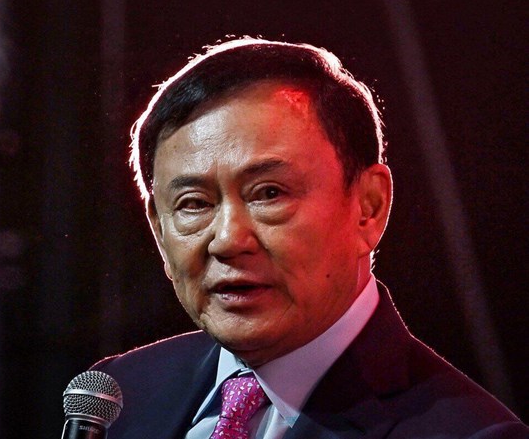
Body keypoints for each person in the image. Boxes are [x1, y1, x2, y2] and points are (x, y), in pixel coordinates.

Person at [91, 38, 525, 438]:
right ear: (159, 230)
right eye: (193, 203)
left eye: (269, 194)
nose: (228, 240)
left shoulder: (473, 434)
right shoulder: (117, 399)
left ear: (369, 207)